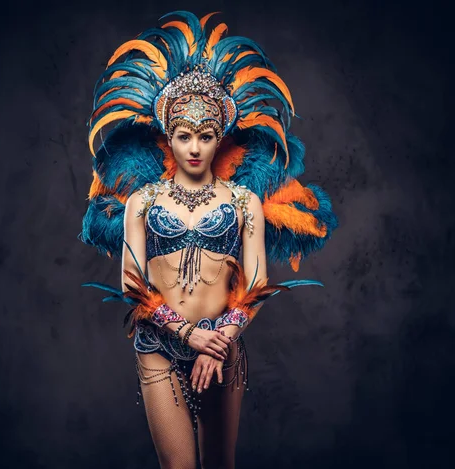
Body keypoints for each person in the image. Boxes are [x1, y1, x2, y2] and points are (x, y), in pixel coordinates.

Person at [79, 10, 338, 468]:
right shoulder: (143, 200)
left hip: (223, 342)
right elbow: (131, 283)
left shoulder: (243, 202)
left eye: (205, 135)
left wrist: (217, 338)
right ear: (168, 137)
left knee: (221, 464)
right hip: (159, 345)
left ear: (220, 138)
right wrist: (188, 335)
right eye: (183, 136)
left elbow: (256, 284)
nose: (194, 147)